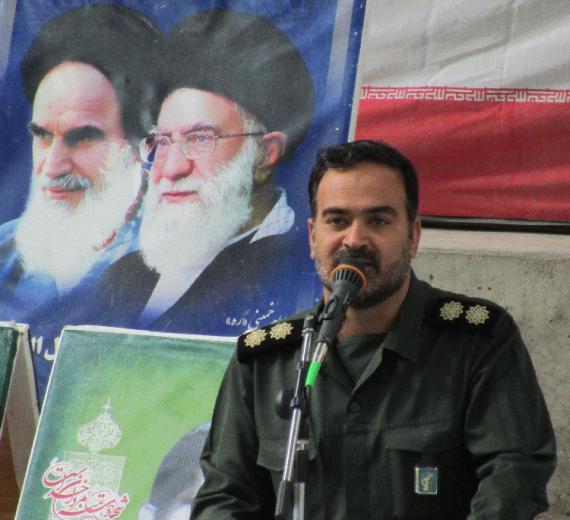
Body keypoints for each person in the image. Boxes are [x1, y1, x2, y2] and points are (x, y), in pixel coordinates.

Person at [191, 140, 557, 519]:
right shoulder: (264, 361)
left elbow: (514, 479)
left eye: (378, 221)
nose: (354, 240)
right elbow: (224, 497)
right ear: (313, 237)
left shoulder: (477, 341)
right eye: (337, 221)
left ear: (413, 236)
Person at [97, 9, 316, 335]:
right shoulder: (123, 277)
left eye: (200, 139)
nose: (172, 168)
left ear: (264, 154)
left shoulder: (299, 276)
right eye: (163, 141)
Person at [0, 4, 161, 403]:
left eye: (81, 138)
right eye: (43, 136)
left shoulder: (175, 271)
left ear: (145, 147)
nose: (53, 166)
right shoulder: (4, 252)